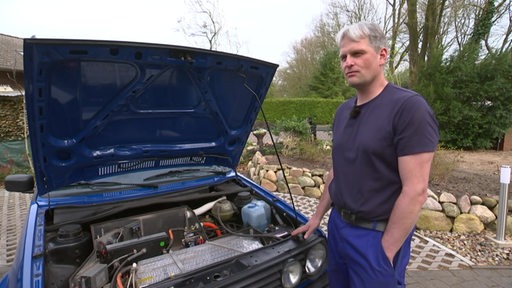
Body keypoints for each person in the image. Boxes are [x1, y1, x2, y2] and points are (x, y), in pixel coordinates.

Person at [291, 22, 439, 287]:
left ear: (382, 55)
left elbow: (416, 190)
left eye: (357, 54)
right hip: (338, 230)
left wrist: (386, 251)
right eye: (343, 57)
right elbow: (338, 172)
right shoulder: (342, 112)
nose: (348, 62)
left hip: (376, 237)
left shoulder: (408, 108)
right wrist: (316, 218)